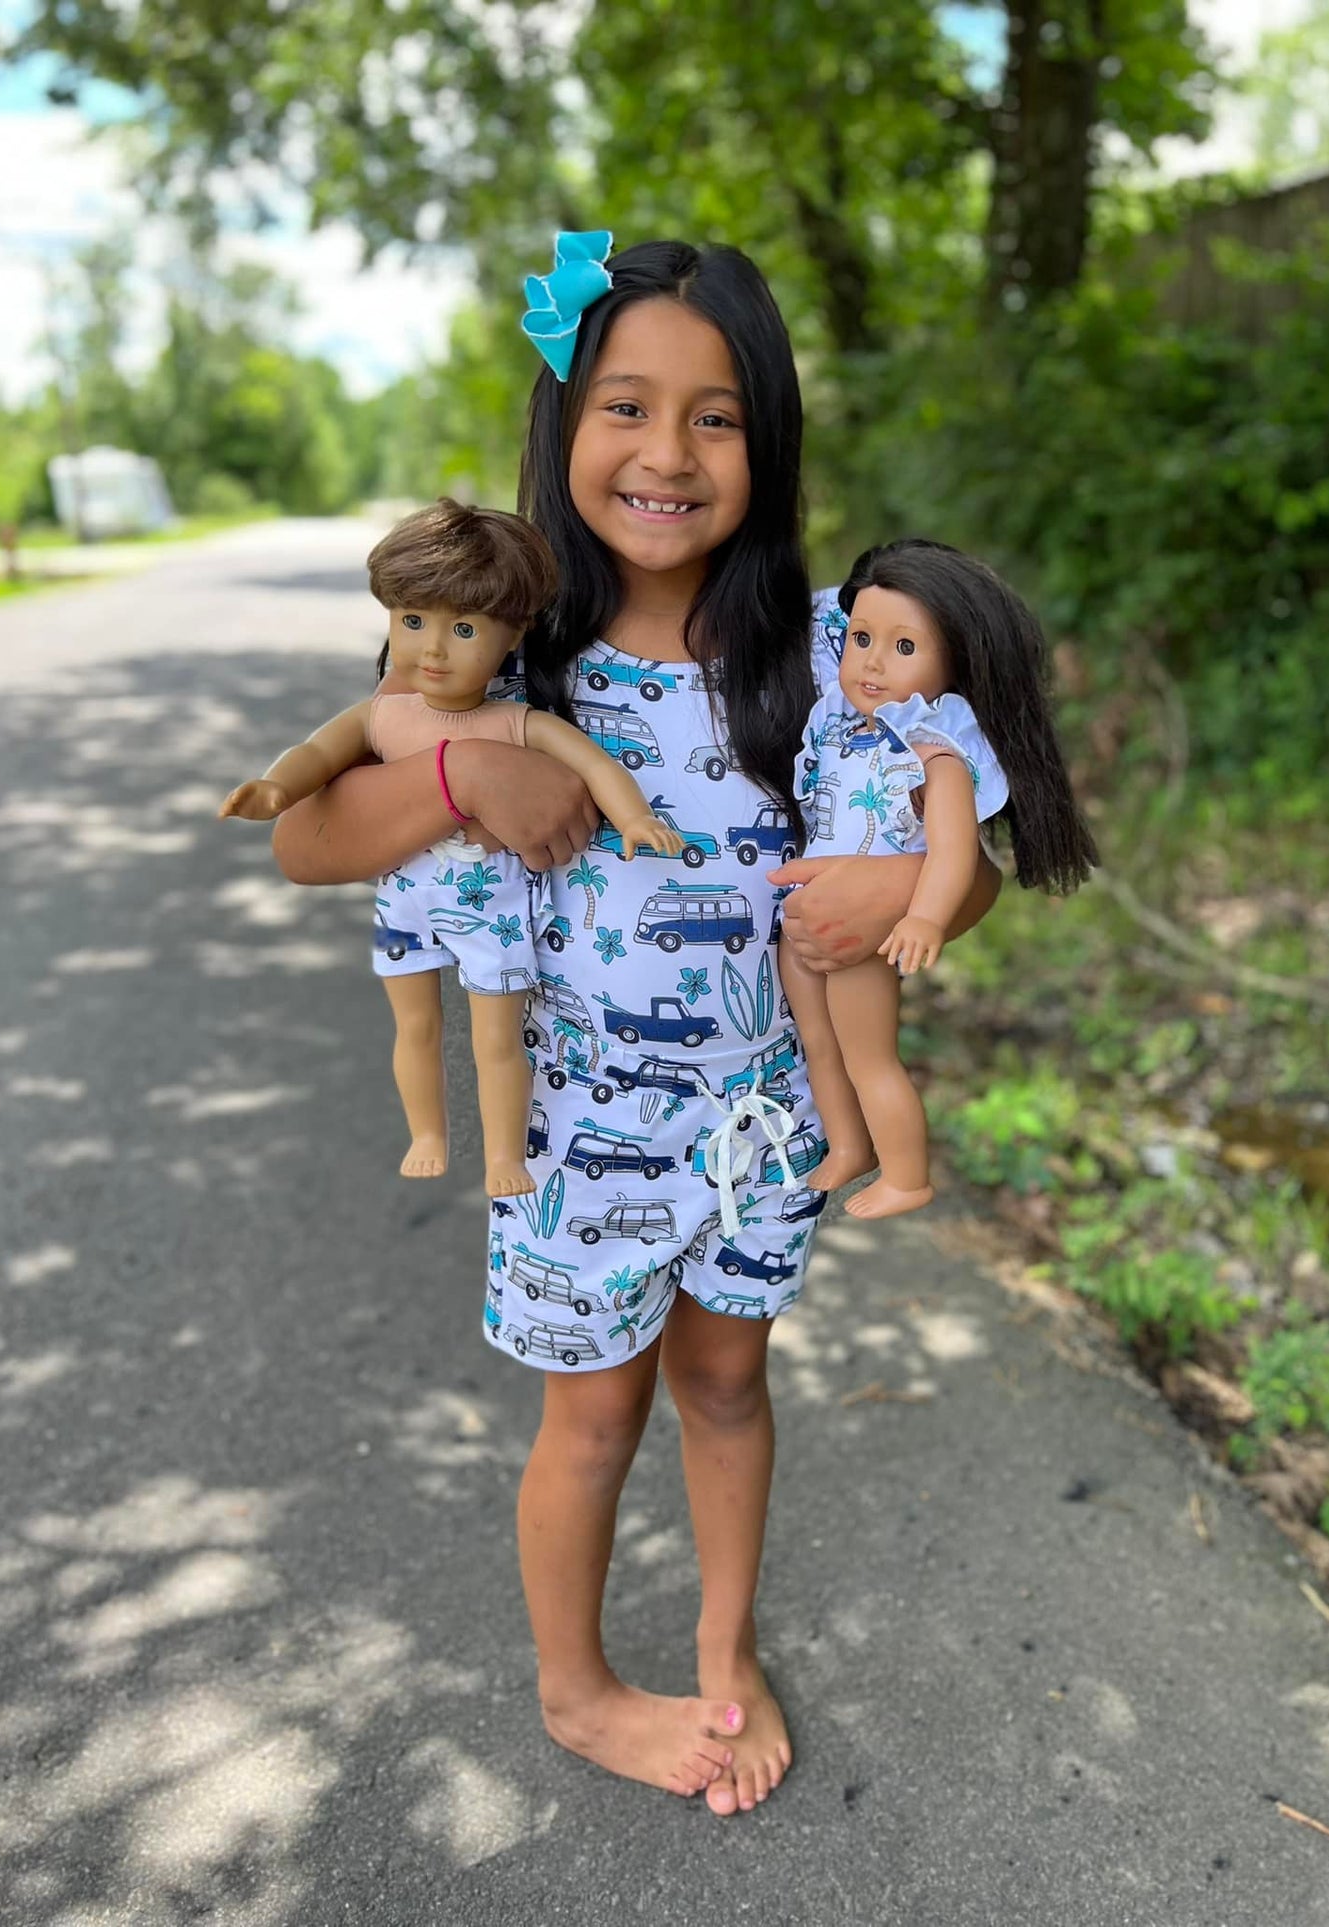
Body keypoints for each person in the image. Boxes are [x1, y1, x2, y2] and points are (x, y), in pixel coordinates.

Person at [272, 234, 1002, 1817]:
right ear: (562, 426)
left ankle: (723, 1646)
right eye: (624, 405)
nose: (667, 453)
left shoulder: (834, 651)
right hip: (578, 1136)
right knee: (592, 1411)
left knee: (727, 1386)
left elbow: (962, 869)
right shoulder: (490, 637)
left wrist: (894, 891)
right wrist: (463, 774)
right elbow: (308, 838)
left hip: (757, 1130)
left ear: (772, 439)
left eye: (718, 415)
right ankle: (578, 1686)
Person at [218, 499, 682, 1191]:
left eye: (462, 628)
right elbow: (318, 750)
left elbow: (593, 764)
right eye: (412, 621)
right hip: (405, 906)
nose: (431, 649)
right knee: (414, 1027)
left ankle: (502, 1155)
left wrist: (635, 818)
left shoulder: (515, 719)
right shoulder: (384, 715)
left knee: (495, 1040)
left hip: (489, 911)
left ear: (511, 635)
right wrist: (277, 788)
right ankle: (427, 1130)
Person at [783, 539, 1098, 1220]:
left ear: (951, 664)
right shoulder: (839, 730)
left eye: (902, 647)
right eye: (861, 637)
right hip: (807, 912)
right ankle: (846, 1144)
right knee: (818, 1040)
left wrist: (922, 916)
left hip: (863, 931)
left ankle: (905, 1174)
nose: (869, 659)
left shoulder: (938, 755)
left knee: (868, 1055)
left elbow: (953, 851)